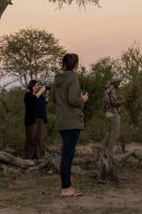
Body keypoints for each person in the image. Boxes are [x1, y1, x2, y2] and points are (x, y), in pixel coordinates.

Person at [54, 53, 89, 197]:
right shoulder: (73, 77)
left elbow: (54, 98)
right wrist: (83, 99)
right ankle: (66, 188)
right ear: (76, 64)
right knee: (68, 155)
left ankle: (67, 186)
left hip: (61, 120)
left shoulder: (58, 79)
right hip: (72, 121)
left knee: (66, 154)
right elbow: (72, 100)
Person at [23, 80, 48, 159]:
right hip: (32, 120)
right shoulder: (28, 95)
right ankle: (29, 157)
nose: (37, 87)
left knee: (38, 139)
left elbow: (45, 102)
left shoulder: (40, 96)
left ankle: (37, 156)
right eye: (35, 85)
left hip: (41, 119)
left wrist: (47, 93)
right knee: (31, 138)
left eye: (38, 85)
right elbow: (33, 100)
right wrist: (40, 91)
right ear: (31, 86)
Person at [102, 78, 125, 153]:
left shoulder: (107, 89)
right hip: (113, 112)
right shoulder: (112, 89)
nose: (119, 85)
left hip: (108, 112)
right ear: (115, 83)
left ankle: (103, 151)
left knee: (109, 132)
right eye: (118, 83)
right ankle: (109, 152)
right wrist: (122, 102)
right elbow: (113, 103)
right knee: (114, 133)